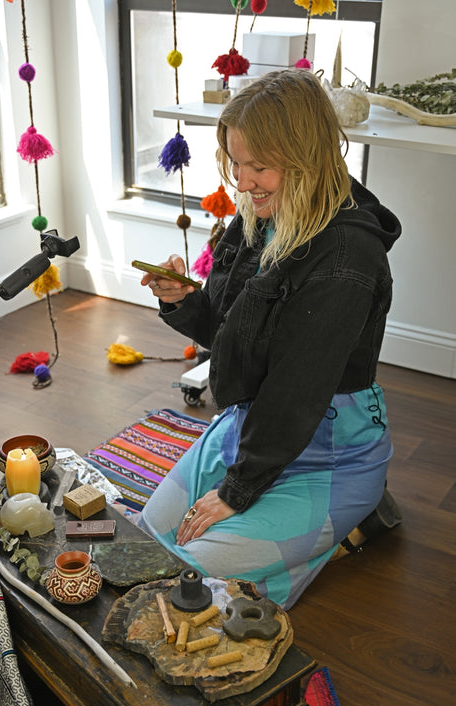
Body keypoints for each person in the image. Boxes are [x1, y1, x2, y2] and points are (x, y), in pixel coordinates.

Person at [136, 69, 402, 610]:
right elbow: (227, 332)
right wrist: (181, 300)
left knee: (187, 576)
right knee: (143, 541)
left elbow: (295, 393)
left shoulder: (347, 258)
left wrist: (236, 491)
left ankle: (360, 510)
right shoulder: (261, 216)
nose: (243, 181)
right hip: (253, 428)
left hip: (328, 453)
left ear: (307, 157)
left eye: (258, 166)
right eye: (236, 163)